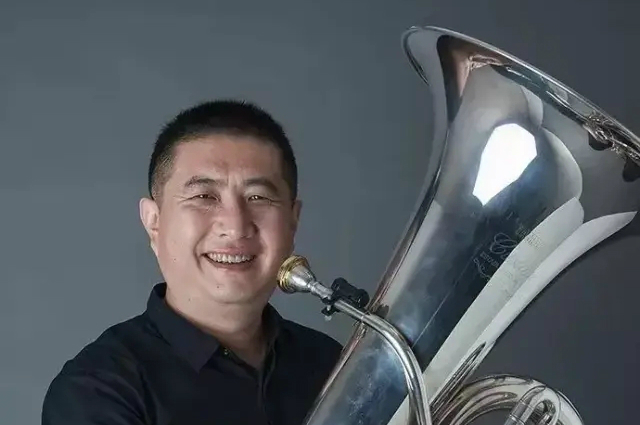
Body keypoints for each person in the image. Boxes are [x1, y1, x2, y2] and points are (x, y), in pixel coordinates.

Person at [41, 100, 344, 425]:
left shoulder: (334, 365)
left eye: (258, 197)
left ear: (293, 222)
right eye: (204, 197)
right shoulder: (96, 391)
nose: (235, 226)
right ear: (154, 222)